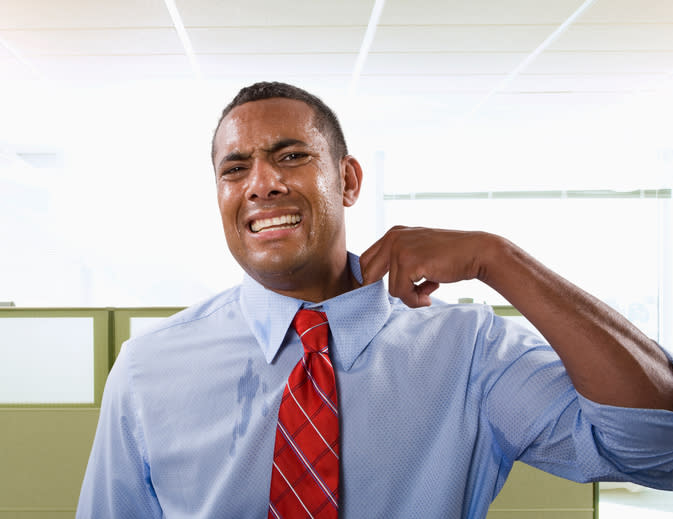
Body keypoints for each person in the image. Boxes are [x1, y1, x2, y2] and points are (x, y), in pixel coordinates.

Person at [76, 81, 673, 518]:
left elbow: (656, 446)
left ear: (350, 180)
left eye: (291, 156)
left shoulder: (470, 351)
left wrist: (500, 258)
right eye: (236, 169)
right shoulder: (148, 368)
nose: (262, 182)